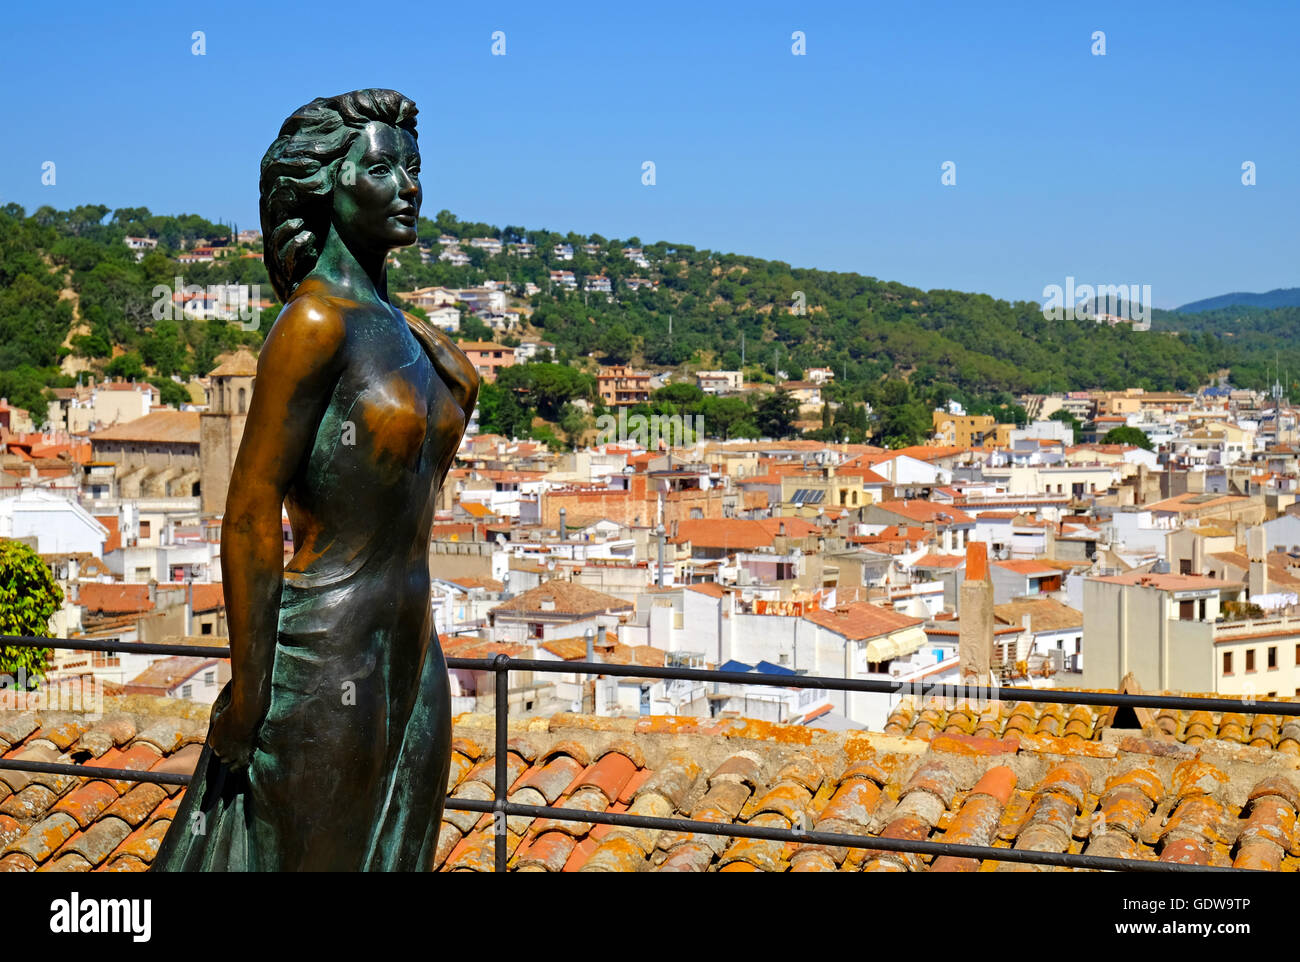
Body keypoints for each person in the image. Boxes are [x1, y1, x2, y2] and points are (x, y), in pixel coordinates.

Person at [153, 89, 478, 871]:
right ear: (327, 186)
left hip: (412, 654)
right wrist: (253, 688)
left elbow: (400, 484)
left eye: (415, 168)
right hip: (325, 655)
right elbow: (251, 509)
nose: (409, 187)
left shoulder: (404, 329)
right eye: (382, 169)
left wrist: (459, 387)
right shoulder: (314, 323)